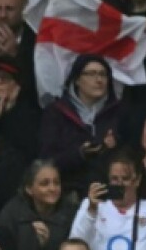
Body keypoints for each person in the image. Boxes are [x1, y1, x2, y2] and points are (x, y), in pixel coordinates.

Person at [39, 55, 125, 195]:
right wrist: (79, 154)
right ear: (77, 79)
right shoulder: (56, 113)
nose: (99, 80)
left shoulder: (119, 112)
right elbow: (47, 161)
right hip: (69, 194)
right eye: (91, 74)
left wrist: (114, 148)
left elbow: (129, 157)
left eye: (103, 74)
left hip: (110, 195)